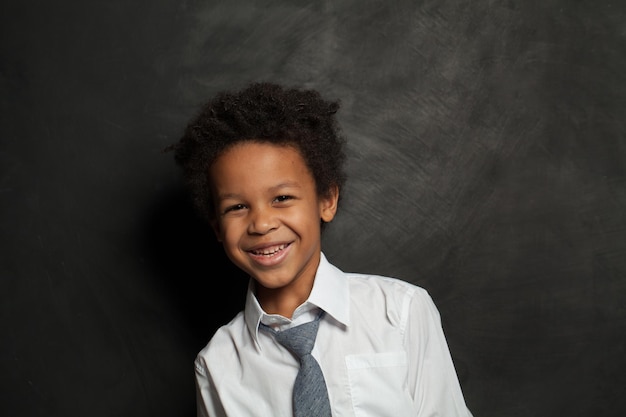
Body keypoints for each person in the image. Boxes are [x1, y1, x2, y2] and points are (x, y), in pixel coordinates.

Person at [170, 81, 473, 416]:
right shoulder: (217, 366)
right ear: (217, 228)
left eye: (282, 198)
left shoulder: (401, 313)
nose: (261, 223)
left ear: (326, 200)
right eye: (236, 207)